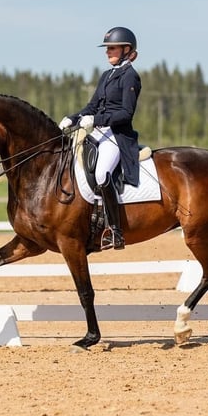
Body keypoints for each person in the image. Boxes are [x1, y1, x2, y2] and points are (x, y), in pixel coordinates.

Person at [59, 26, 142, 250]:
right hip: (98, 131)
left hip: (117, 135)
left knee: (102, 172)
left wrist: (96, 120)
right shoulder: (107, 75)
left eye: (112, 48)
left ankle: (115, 230)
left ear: (127, 50)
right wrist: (73, 118)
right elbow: (92, 105)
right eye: (107, 48)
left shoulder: (130, 76)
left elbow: (126, 113)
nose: (108, 52)